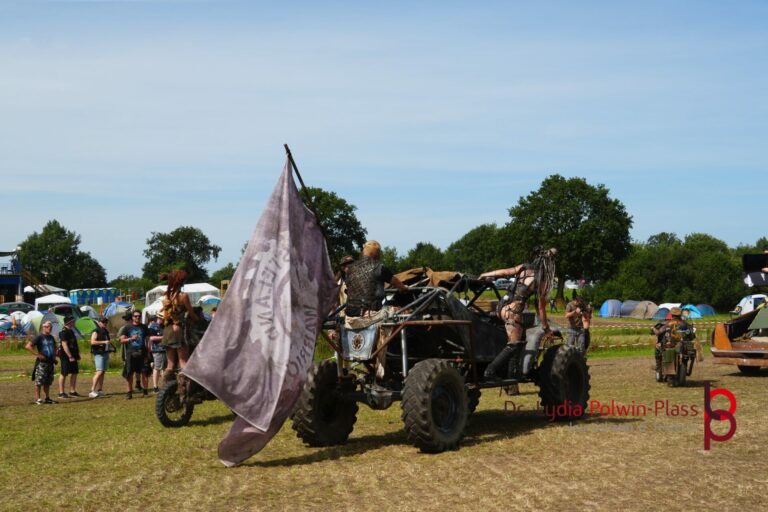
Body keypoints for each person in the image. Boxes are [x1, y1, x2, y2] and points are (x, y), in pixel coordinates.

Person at [479, 247, 557, 382]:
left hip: (501, 307)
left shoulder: (524, 268)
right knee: (514, 345)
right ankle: (490, 371)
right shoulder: (541, 280)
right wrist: (546, 328)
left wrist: (485, 274)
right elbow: (541, 308)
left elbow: (505, 272)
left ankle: (512, 374)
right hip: (512, 312)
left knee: (516, 340)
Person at [344, 241, 408, 379]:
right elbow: (397, 283)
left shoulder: (349, 269)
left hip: (350, 318)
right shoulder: (380, 268)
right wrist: (404, 288)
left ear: (363, 252)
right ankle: (382, 369)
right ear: (377, 254)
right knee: (401, 311)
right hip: (370, 317)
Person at [160, 269, 202, 382]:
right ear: (181, 282)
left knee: (170, 365)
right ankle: (184, 388)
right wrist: (198, 319)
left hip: (167, 330)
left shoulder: (167, 296)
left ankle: (167, 386)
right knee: (183, 362)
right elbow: (191, 314)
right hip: (179, 330)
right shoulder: (183, 296)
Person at [651, 306, 692, 379]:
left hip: (669, 345)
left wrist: (653, 328)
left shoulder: (667, 323)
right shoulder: (685, 324)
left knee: (657, 349)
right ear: (680, 314)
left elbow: (658, 333)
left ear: (671, 314)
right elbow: (692, 336)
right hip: (683, 346)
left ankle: (658, 369)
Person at [119, 310, 150, 399]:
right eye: (135, 316)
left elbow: (148, 340)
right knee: (129, 373)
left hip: (142, 353)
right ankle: (129, 393)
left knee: (144, 372)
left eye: (139, 316)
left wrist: (148, 352)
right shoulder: (127, 327)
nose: (137, 317)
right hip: (131, 353)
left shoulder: (144, 327)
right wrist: (130, 339)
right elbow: (121, 340)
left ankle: (145, 392)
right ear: (132, 317)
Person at [26, 321, 58, 405]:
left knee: (48, 382)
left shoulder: (51, 337)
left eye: (50, 327)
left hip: (50, 363)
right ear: (43, 327)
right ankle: (38, 399)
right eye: (47, 327)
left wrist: (54, 356)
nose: (49, 328)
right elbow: (28, 346)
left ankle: (47, 398)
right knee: (39, 381)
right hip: (42, 363)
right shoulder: (39, 337)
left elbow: (55, 347)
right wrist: (38, 355)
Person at [58, 315, 81, 398]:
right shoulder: (64, 332)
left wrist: (76, 355)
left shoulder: (71, 331)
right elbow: (64, 345)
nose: (74, 323)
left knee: (74, 372)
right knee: (64, 373)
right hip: (65, 356)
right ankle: (61, 392)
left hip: (73, 355)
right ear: (69, 322)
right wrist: (70, 356)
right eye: (73, 321)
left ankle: (72, 391)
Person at [89, 317, 112, 398]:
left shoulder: (105, 331)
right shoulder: (96, 331)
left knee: (103, 372)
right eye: (103, 322)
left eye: (106, 322)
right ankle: (92, 391)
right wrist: (104, 342)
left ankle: (100, 390)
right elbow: (92, 342)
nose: (105, 323)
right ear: (99, 322)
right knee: (99, 372)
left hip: (105, 353)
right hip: (99, 354)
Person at [147, 314, 166, 393]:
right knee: (157, 368)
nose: (163, 320)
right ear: (158, 318)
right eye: (162, 318)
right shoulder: (153, 326)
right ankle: (155, 387)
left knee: (165, 368)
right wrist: (164, 337)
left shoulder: (164, 325)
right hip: (157, 350)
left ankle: (165, 386)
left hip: (166, 349)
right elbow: (151, 338)